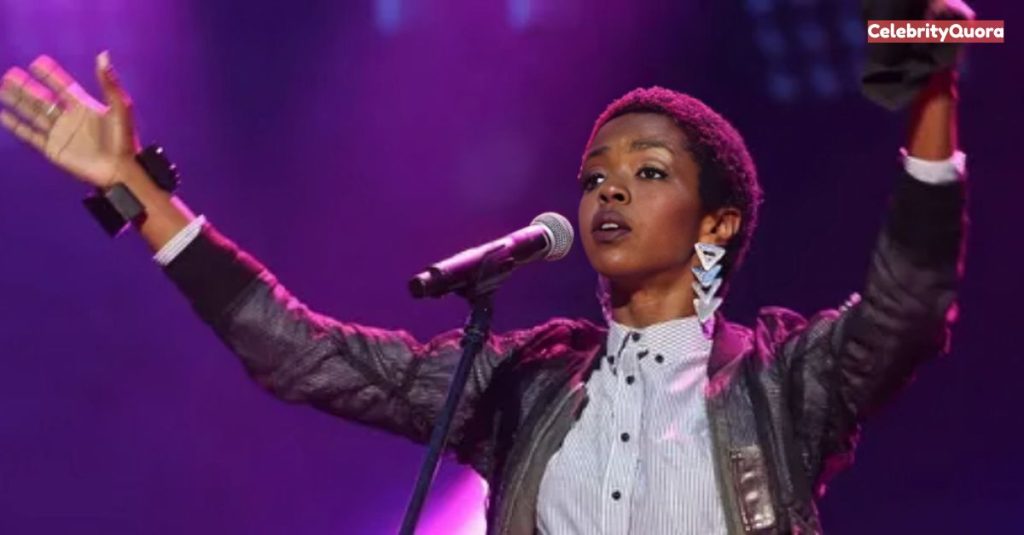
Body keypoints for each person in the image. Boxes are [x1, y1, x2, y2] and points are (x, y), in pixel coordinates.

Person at [0, 19, 969, 535]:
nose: (607, 192)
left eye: (647, 173)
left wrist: (931, 98)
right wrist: (135, 187)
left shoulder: (785, 379)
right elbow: (298, 354)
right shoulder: (519, 382)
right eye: (594, 175)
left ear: (716, 224)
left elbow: (908, 306)